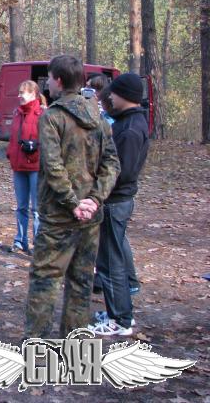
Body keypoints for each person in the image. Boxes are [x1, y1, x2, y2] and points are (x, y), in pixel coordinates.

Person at [25, 55, 120, 338]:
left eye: (50, 79)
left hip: (60, 217)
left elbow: (54, 167)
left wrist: (81, 202)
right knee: (80, 282)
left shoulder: (52, 117)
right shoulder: (99, 117)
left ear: (58, 81)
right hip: (87, 216)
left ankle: (37, 347)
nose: (47, 84)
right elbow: (112, 164)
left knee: (46, 281)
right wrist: (93, 200)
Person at [89, 73, 149, 336]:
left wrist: (97, 191)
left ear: (125, 96)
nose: (109, 96)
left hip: (115, 201)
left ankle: (120, 320)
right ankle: (119, 312)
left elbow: (120, 171)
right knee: (110, 260)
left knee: (111, 263)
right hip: (115, 200)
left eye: (113, 92)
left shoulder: (131, 130)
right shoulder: (125, 122)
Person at [5, 80, 44, 254]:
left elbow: (47, 141)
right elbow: (13, 139)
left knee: (36, 208)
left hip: (36, 166)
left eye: (23, 92)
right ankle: (20, 240)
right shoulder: (16, 113)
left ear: (33, 94)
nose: (19, 96)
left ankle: (38, 244)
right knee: (21, 206)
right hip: (19, 166)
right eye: (19, 92)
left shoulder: (43, 114)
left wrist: (36, 149)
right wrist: (10, 154)